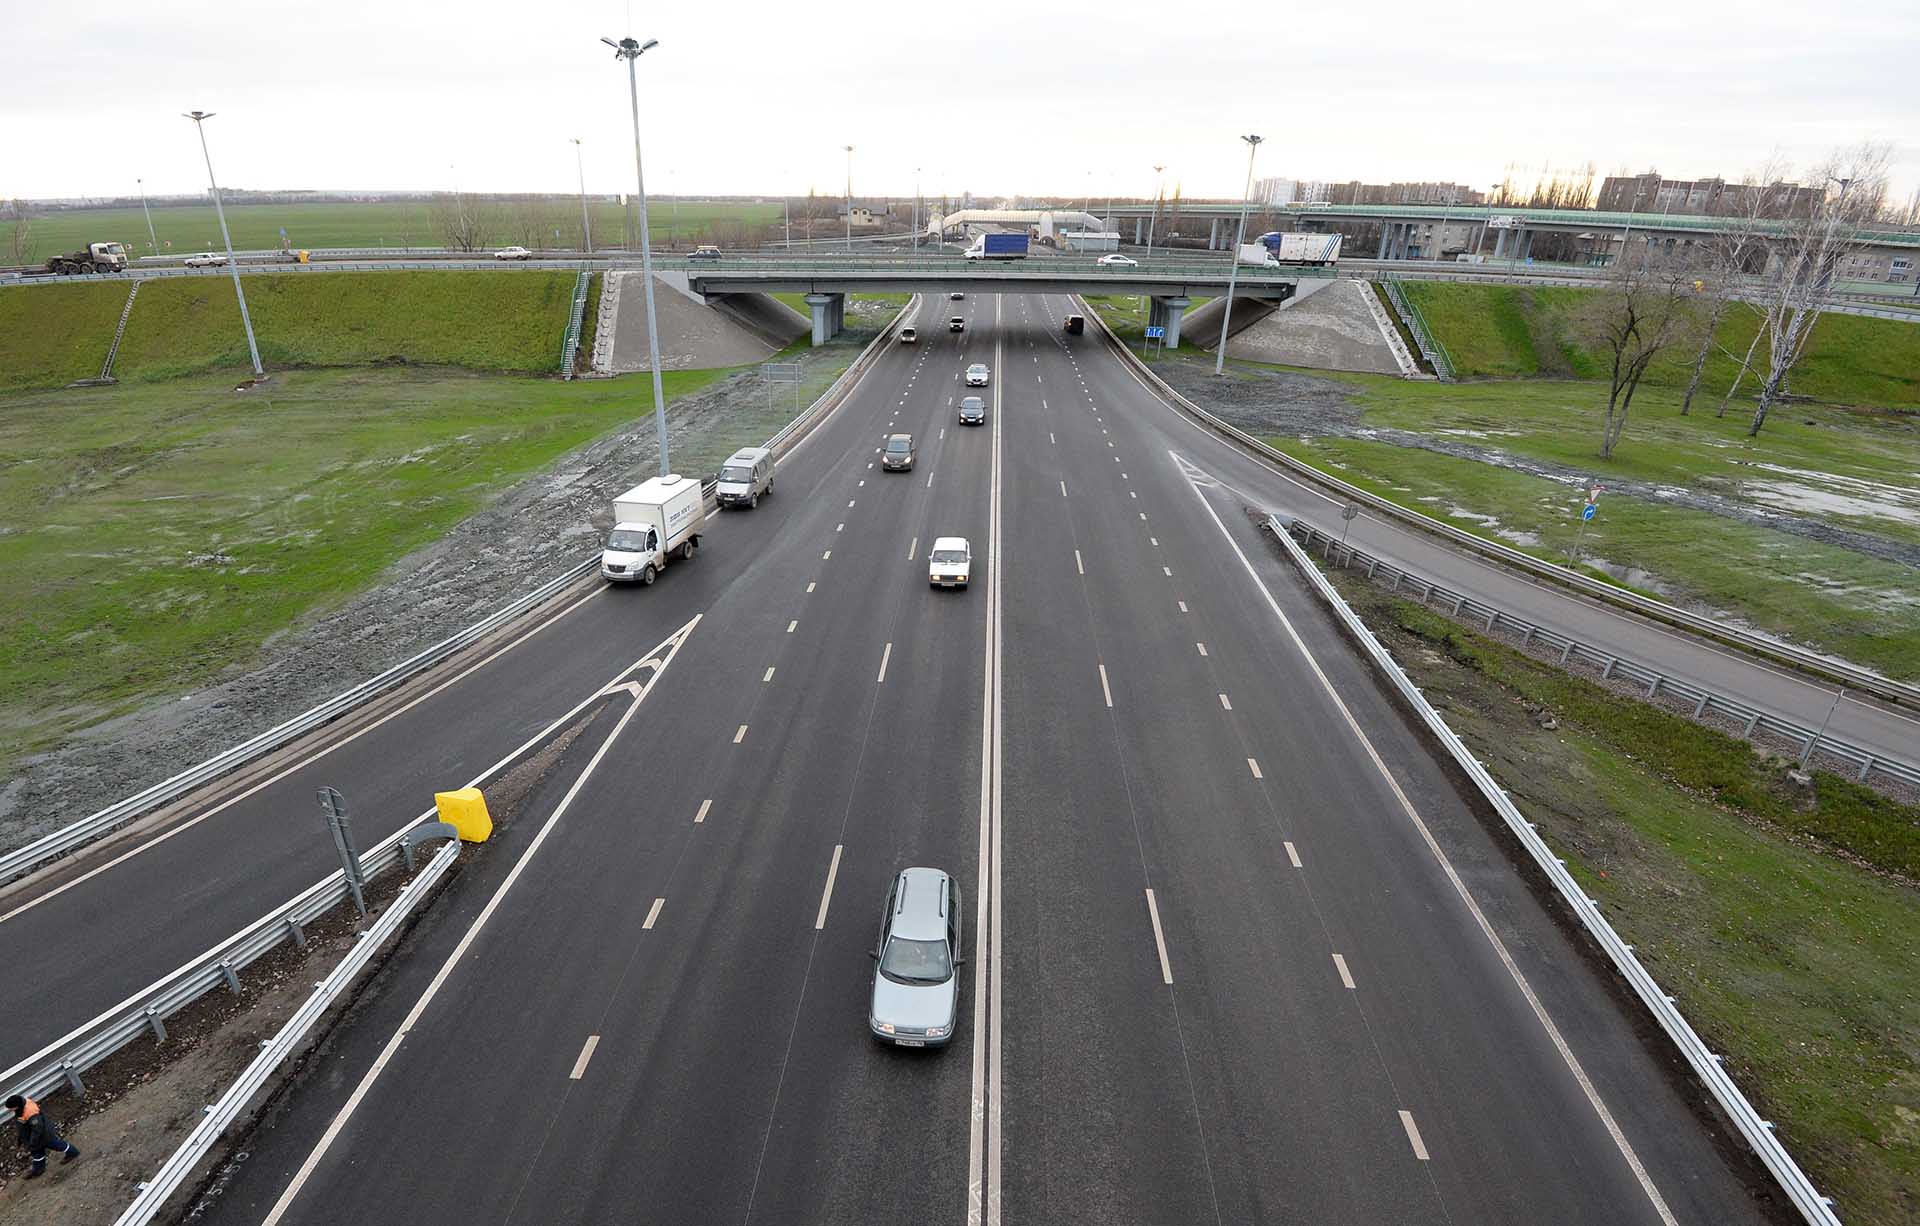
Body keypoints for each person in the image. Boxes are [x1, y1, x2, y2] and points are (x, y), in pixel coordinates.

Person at [5, 1094, 79, 1179]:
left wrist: (32, 1142)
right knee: (39, 1153)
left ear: (16, 1106)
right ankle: (38, 1169)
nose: (10, 1110)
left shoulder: (31, 1112)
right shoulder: (22, 1104)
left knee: (55, 1145)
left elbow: (37, 1129)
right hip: (37, 1136)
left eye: (11, 1109)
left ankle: (72, 1152)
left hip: (42, 1136)